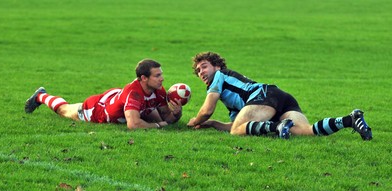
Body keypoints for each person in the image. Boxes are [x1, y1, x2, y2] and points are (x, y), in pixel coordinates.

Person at [187, 51, 372, 140]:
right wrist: (211, 124)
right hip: (279, 97)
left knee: (238, 131)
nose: (201, 71)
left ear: (217, 67)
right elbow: (239, 125)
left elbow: (207, 109)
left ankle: (277, 126)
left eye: (204, 66)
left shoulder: (220, 76)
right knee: (304, 131)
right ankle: (350, 120)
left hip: (264, 97)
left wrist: (196, 121)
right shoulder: (230, 97)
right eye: (198, 70)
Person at [25, 59, 183, 129]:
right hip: (97, 108)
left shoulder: (159, 89)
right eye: (157, 75)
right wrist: (156, 125)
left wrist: (177, 113)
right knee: (64, 110)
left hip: (117, 97)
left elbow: (168, 120)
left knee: (153, 116)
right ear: (143, 78)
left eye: (161, 74)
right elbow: (133, 125)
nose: (162, 78)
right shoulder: (134, 93)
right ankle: (41, 96)